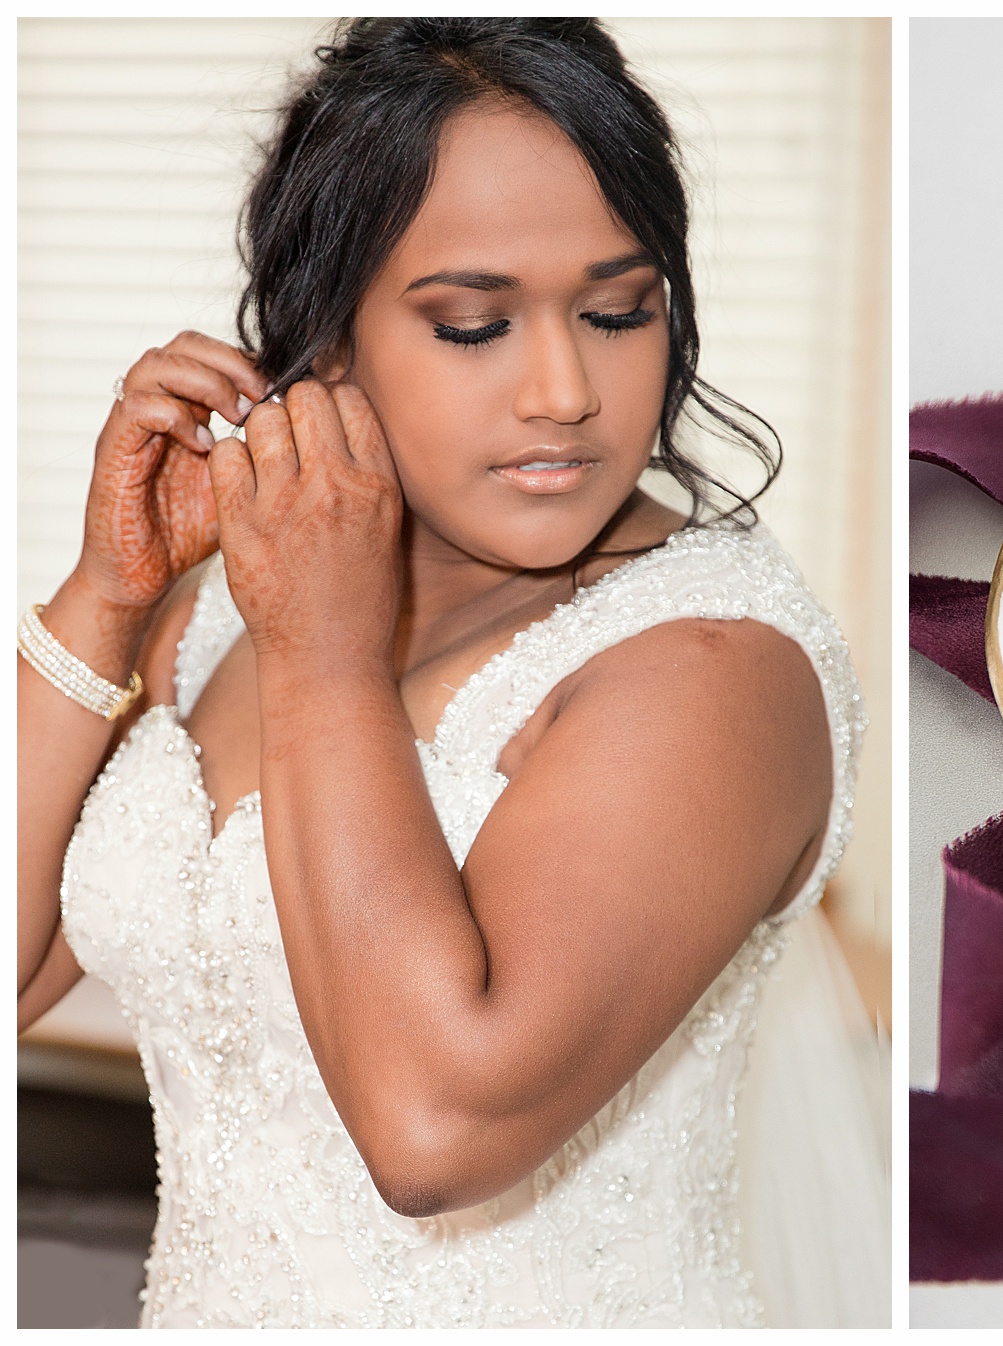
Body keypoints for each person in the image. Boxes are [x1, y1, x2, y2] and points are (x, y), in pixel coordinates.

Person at [16, 17, 886, 1328]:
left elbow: (435, 1128)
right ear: (332, 340)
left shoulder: (714, 667)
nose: (566, 390)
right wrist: (108, 596)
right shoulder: (226, 606)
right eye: (477, 325)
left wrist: (321, 651)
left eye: (616, 309)